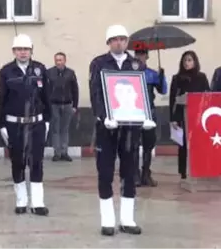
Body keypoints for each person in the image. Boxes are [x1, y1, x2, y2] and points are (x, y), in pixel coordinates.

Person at [89, 24, 156, 236]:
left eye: (123, 39)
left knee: (129, 172)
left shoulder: (135, 64)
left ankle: (127, 219)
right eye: (115, 39)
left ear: (127, 42)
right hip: (107, 127)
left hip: (130, 128)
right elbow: (95, 93)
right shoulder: (99, 63)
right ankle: (108, 220)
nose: (119, 42)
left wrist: (146, 116)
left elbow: (142, 93)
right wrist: (103, 116)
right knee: (105, 172)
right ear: (108, 42)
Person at [0, 34, 51, 216]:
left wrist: (48, 121)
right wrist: (1, 124)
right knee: (17, 163)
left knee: (36, 163)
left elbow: (47, 98)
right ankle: (21, 200)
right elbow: (1, 99)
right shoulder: (6, 72)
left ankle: (37, 202)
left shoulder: (40, 69)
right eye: (19, 49)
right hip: (14, 125)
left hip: (36, 125)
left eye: (26, 49)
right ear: (13, 51)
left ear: (31, 50)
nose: (23, 52)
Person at [169, 50, 210, 179]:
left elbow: (207, 94)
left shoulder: (201, 77)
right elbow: (172, 99)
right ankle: (183, 172)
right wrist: (173, 118)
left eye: (189, 60)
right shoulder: (177, 78)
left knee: (198, 144)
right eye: (185, 60)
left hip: (198, 116)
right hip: (182, 115)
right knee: (183, 145)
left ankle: (199, 169)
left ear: (195, 61)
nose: (187, 63)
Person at [133, 49, 167, 187]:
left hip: (149, 113)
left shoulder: (152, 74)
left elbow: (163, 90)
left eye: (142, 53)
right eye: (137, 53)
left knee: (149, 144)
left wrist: (161, 77)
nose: (140, 56)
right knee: (133, 145)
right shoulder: (130, 72)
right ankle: (134, 174)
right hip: (133, 113)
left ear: (147, 56)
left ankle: (146, 173)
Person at [47, 52, 79, 162]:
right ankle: (57, 153)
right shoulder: (49, 73)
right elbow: (46, 90)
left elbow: (75, 90)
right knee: (55, 129)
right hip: (54, 105)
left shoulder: (70, 73)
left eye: (61, 60)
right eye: (57, 60)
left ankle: (64, 152)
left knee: (65, 129)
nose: (59, 62)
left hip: (67, 104)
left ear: (65, 61)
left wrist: (75, 105)